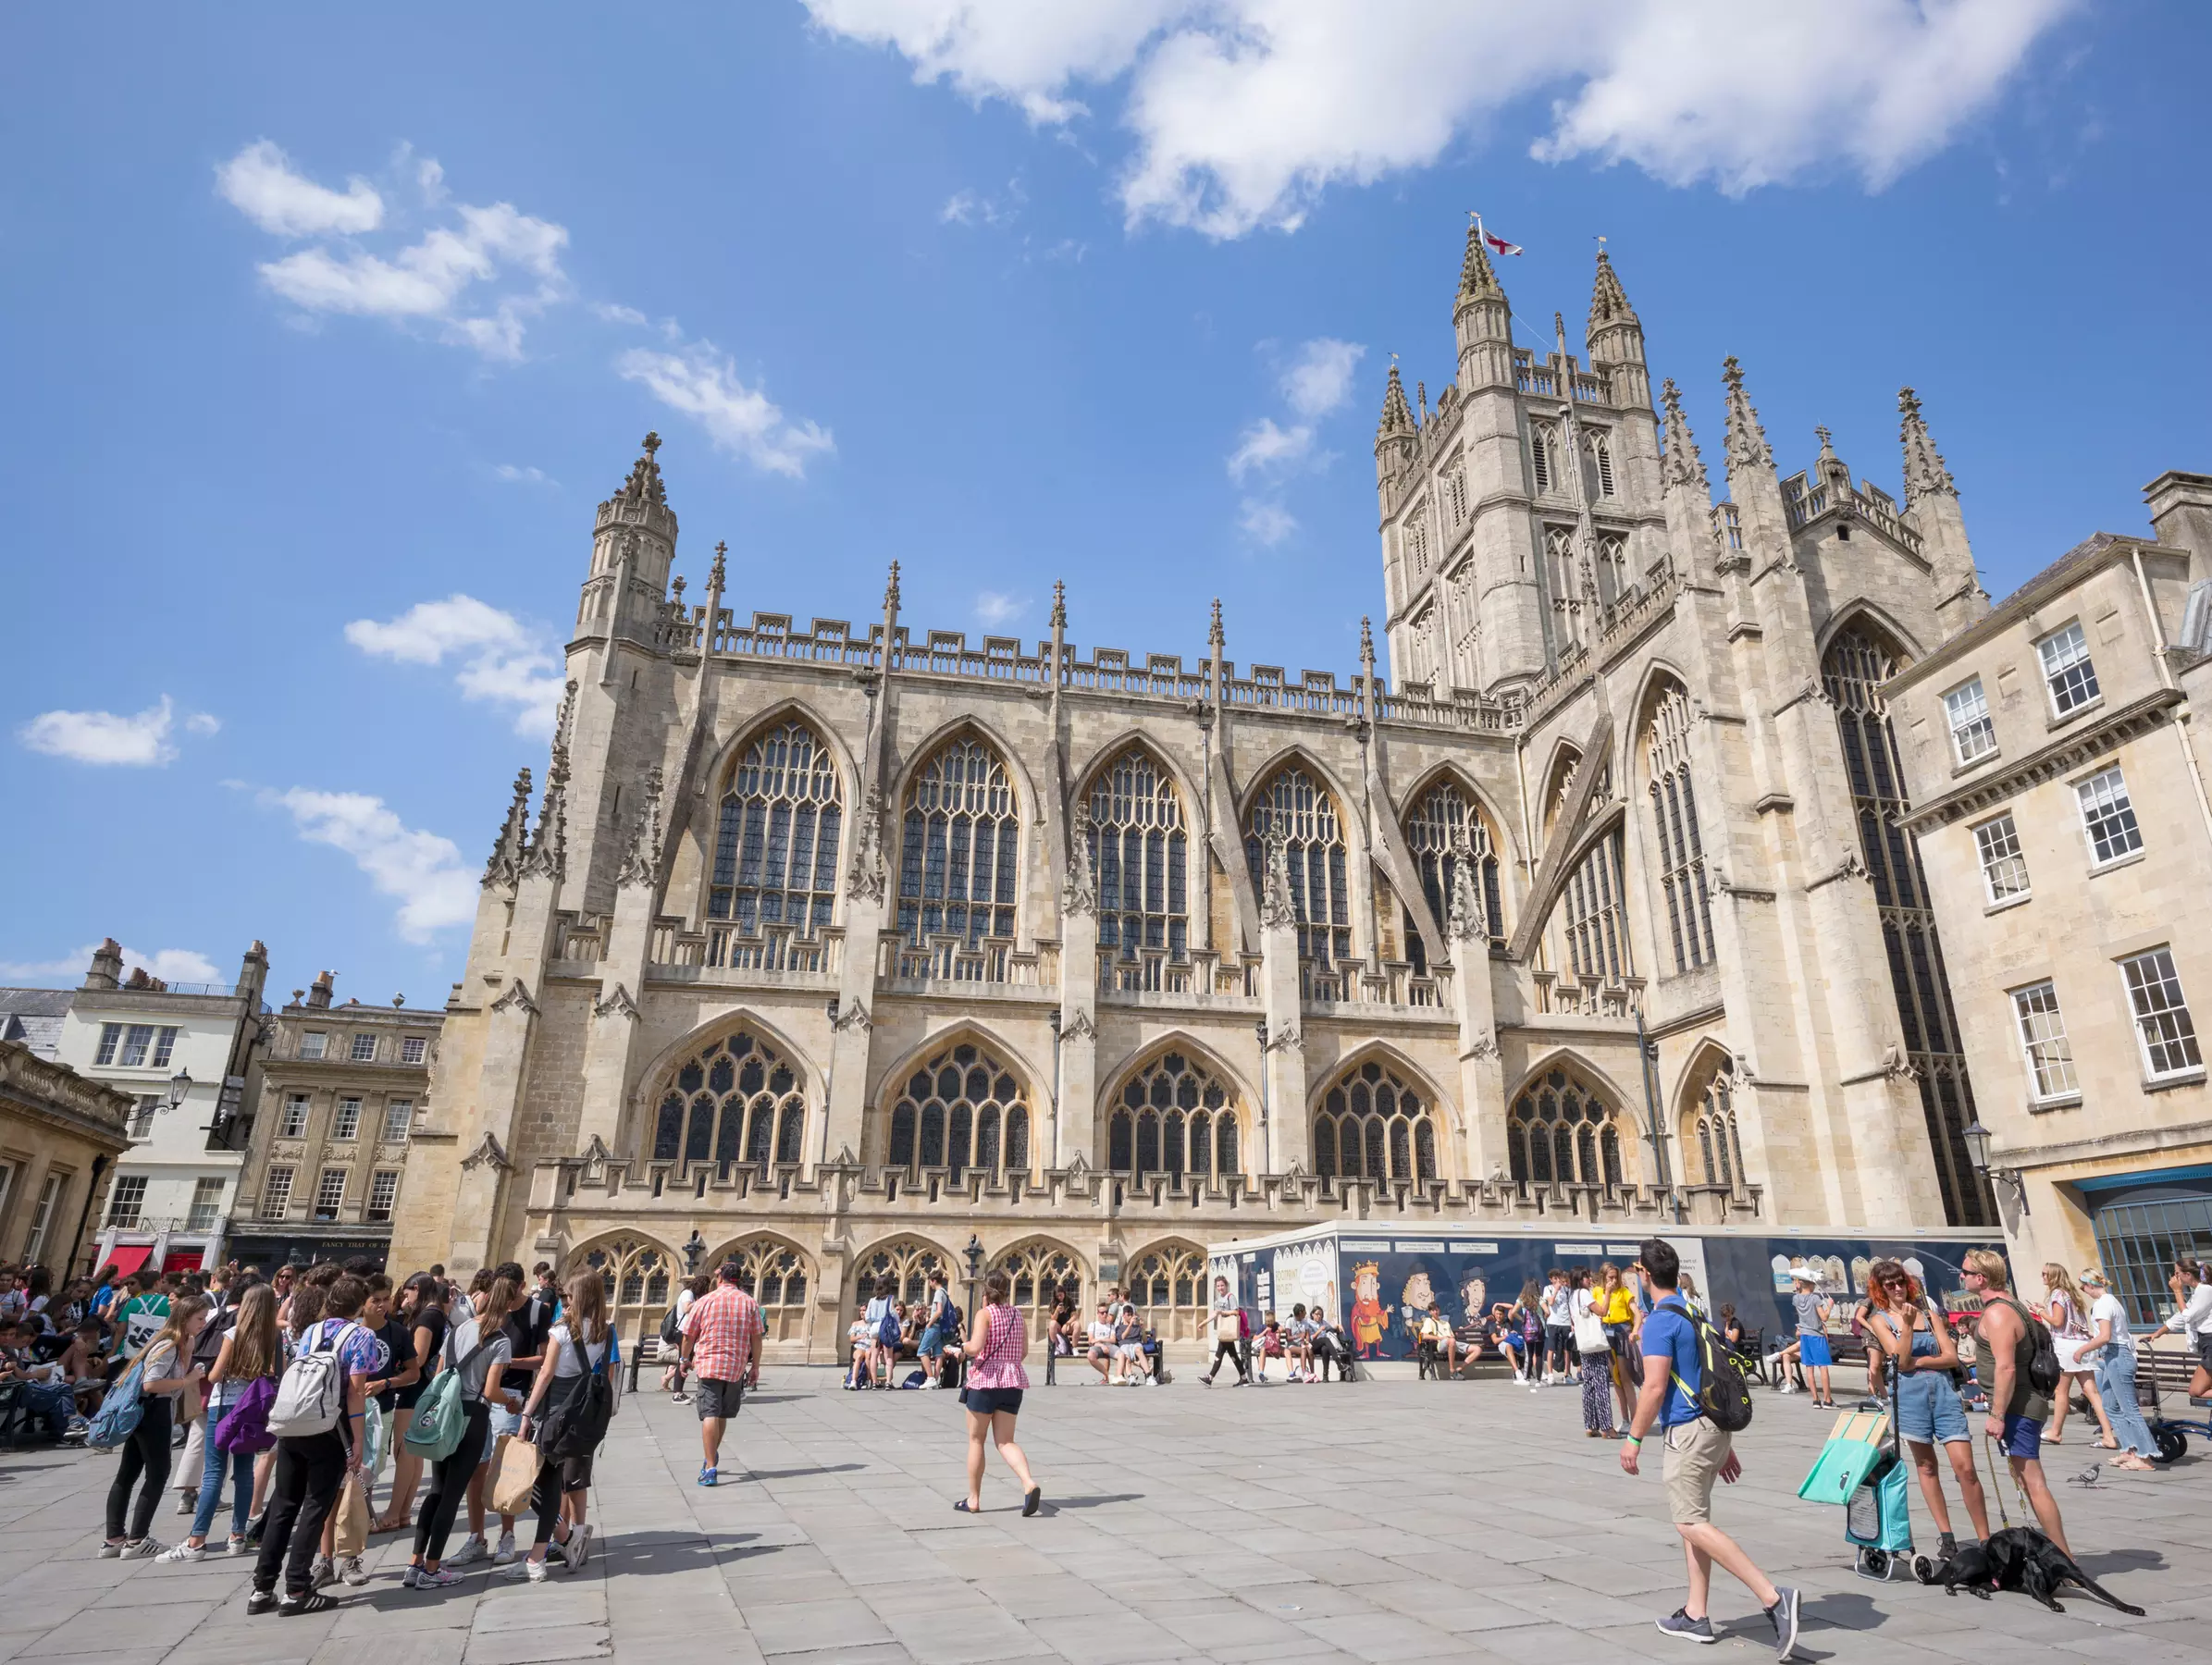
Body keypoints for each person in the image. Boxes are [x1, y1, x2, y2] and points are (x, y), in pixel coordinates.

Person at [1623, 1238, 1798, 1658]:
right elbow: (1706, 1374)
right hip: (1710, 1427)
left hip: (1687, 1432)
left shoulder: (1659, 1321)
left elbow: (1654, 1387)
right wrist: (1721, 1442)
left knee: (1689, 1523)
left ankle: (1773, 1597)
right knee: (1694, 1520)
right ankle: (1695, 1614)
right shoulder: (1692, 1312)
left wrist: (1633, 1438)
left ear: (1644, 1274)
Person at [249, 1275, 384, 1614]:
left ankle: (262, 1588)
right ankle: (297, 1589)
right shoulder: (362, 1336)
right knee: (315, 1507)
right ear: (359, 1305)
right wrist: (357, 1439)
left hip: (295, 1423)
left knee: (283, 1505)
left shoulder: (312, 1330)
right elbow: (355, 1391)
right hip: (329, 1428)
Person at [1861, 1258, 1988, 1561]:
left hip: (1944, 1394)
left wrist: (1917, 1362)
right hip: (1910, 1398)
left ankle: (1985, 1539)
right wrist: (1906, 1327)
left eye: (1900, 1282)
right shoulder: (1880, 1320)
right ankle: (1947, 1537)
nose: (1897, 1288)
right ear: (1881, 1289)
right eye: (1890, 1285)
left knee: (1965, 1468)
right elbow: (1899, 1359)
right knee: (1927, 1466)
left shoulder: (1930, 1315)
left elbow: (1950, 1357)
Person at [407, 1275, 517, 1590]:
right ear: (509, 1304)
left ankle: (415, 1563)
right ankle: (432, 1569)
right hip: (472, 1416)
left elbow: (440, 1373)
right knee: (453, 1495)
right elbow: (491, 1390)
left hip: (445, 1413)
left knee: (436, 1490)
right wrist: (511, 1402)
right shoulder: (500, 1340)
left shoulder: (457, 1330)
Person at [511, 1266, 619, 1582]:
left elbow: (546, 1374)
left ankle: (543, 1553)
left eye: (568, 1295)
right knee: (557, 1481)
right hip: (581, 1414)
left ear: (578, 1296)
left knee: (537, 1484)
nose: (564, 1300)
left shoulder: (561, 1331)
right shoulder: (605, 1331)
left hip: (553, 1413)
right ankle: (561, 1540)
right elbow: (606, 1373)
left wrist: (527, 1414)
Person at [1961, 1250, 2072, 1555]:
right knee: (2027, 1482)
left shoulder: (1997, 1313)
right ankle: (2058, 1554)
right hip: (2020, 1402)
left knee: (2034, 1483)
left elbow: (2007, 1368)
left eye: (1965, 1272)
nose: (1961, 1277)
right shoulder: (2012, 1305)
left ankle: (2065, 1559)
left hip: (2019, 1408)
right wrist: (1989, 1390)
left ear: (1981, 1278)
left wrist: (1997, 1414)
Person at [160, 1282, 280, 1561]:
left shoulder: (233, 1333)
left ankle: (197, 1540)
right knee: (244, 1471)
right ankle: (238, 1535)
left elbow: (215, 1376)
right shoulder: (274, 1336)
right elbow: (278, 1373)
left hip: (224, 1406)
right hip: (253, 1408)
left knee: (214, 1472)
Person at [101, 1299, 205, 1558]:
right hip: (153, 1410)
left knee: (128, 1473)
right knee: (157, 1473)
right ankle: (137, 1540)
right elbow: (151, 1383)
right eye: (199, 1319)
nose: (203, 1323)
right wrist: (188, 1379)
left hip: (143, 1410)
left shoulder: (176, 1342)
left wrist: (188, 1350)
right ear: (185, 1318)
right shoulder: (168, 1344)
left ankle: (114, 1539)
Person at [954, 1268, 1040, 1516]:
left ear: (986, 1290)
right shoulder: (1017, 1315)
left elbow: (976, 1347)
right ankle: (1028, 1483)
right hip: (1012, 1381)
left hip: (985, 1382)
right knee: (1006, 1441)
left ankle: (973, 1499)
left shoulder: (985, 1314)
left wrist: (962, 1347)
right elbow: (1023, 1352)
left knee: (976, 1440)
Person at [680, 1259, 763, 1487]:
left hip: (708, 1365)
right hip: (735, 1367)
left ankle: (710, 1467)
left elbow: (688, 1335)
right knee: (722, 1414)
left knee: (710, 1414)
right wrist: (755, 1366)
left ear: (719, 1278)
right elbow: (756, 1337)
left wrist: (684, 1359)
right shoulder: (749, 1303)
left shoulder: (705, 1301)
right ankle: (711, 1455)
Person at [376, 1275, 447, 1532]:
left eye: (406, 1294)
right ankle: (403, 1513)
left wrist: (396, 1364)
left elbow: (417, 1358)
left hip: (414, 1389)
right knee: (414, 1454)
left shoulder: (427, 1317)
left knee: (403, 1452)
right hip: (424, 1390)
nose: (405, 1299)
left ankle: (393, 1513)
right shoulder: (437, 1313)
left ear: (416, 1289)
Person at [2077, 1269, 2157, 1473]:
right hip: (2113, 1355)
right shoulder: (2111, 1301)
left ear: (2090, 1284)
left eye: (2083, 1286)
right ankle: (2128, 1450)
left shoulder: (2103, 1304)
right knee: (2110, 1405)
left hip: (2117, 1356)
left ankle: (2145, 1457)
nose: (2083, 1290)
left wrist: (2082, 1350)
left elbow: (2105, 1336)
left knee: (2129, 1409)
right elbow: (2109, 1335)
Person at [2036, 1264, 2115, 1450]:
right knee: (2091, 1391)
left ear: (2053, 1276)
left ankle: (2056, 1432)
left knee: (2061, 1390)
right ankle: (2108, 1434)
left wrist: (2040, 1312)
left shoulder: (2057, 1294)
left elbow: (2057, 1322)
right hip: (2082, 1344)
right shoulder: (2072, 1294)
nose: (2042, 1277)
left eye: (2045, 1274)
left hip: (2066, 1345)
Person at [2153, 1257, 2212, 1400]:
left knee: (2196, 1391)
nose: (2175, 1277)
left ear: (2187, 1274)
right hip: (2206, 1345)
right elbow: (2181, 1316)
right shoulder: (2198, 1292)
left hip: (2210, 1343)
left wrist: (2177, 1291)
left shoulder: (2205, 1290)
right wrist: (2158, 1332)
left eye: (2176, 1273)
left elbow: (2188, 1317)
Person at [1570, 1268, 1614, 1438]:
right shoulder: (1584, 1293)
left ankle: (1590, 1425)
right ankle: (1607, 1427)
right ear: (1579, 1279)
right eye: (1586, 1277)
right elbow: (1602, 1311)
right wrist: (1608, 1292)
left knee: (1588, 1384)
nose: (1589, 1279)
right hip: (1595, 1343)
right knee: (1601, 1382)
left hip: (1584, 1343)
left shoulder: (1572, 1296)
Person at [1785, 1267, 1835, 1410]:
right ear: (1811, 1284)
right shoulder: (1815, 1298)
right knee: (1823, 1367)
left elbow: (1799, 1300)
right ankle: (1827, 1400)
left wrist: (1797, 1287)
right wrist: (1829, 1306)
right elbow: (1824, 1317)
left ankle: (1815, 1400)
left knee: (1809, 1368)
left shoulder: (1796, 1298)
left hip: (1804, 1335)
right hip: (1816, 1335)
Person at [1201, 1274, 1247, 1387]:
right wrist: (1203, 1323)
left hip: (1228, 1329)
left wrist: (1223, 1312)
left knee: (1219, 1353)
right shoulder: (1219, 1299)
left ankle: (1210, 1378)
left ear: (1226, 1286)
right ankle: (1244, 1377)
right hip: (1224, 1330)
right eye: (1218, 1286)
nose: (1220, 1288)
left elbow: (1235, 1311)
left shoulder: (1230, 1297)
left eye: (1222, 1285)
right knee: (1233, 1355)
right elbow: (1215, 1314)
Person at [918, 1269, 957, 1389]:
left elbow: (939, 1311)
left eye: (930, 1282)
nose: (930, 1284)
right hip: (941, 1328)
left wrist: (929, 1323)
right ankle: (935, 1379)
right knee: (938, 1353)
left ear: (934, 1281)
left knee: (922, 1351)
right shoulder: (945, 1293)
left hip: (935, 1326)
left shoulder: (938, 1293)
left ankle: (930, 1378)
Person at [1539, 1268, 1574, 1385]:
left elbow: (1570, 1306)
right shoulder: (1548, 1289)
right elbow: (1551, 1302)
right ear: (1551, 1279)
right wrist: (1556, 1290)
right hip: (1553, 1322)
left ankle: (1567, 1374)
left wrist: (1572, 1323)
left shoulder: (1567, 1290)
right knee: (1551, 1348)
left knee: (1567, 1349)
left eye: (1559, 1278)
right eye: (1555, 1278)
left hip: (1566, 1322)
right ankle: (1550, 1374)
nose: (1557, 1280)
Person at [1415, 1302, 1458, 1378]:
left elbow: (1452, 1336)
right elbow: (1424, 1336)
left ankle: (1459, 1369)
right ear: (1430, 1312)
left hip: (1451, 1342)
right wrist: (1440, 1338)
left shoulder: (1446, 1323)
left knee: (1476, 1349)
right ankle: (1452, 1370)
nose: (1436, 1312)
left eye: (1437, 1310)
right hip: (1440, 1344)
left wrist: (1451, 1337)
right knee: (1451, 1341)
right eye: (1433, 1310)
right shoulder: (1429, 1321)